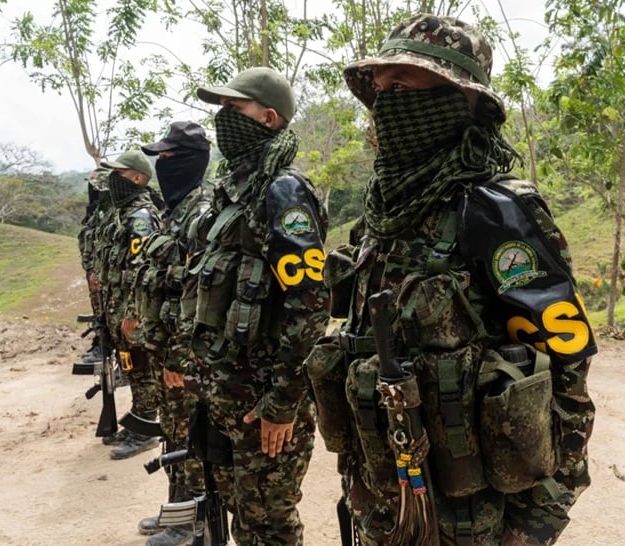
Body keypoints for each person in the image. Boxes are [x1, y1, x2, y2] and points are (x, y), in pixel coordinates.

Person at [308, 14, 597, 546]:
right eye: (383, 87)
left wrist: (539, 520)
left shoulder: (496, 211)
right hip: (381, 500)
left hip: (473, 521)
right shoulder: (380, 216)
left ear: (462, 100)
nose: (388, 100)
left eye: (405, 85)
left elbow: (566, 371)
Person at [188, 66, 330, 545]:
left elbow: (309, 306)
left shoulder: (283, 191)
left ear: (268, 118)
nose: (223, 117)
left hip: (264, 401)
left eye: (234, 107)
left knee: (266, 527)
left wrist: (282, 402)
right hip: (228, 393)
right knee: (238, 515)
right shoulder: (232, 190)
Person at [133, 121, 215, 545]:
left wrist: (180, 359)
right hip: (168, 353)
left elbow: (198, 295)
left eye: (168, 157)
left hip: (186, 359)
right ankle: (177, 511)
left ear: (190, 161)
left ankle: (192, 522)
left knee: (190, 439)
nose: (162, 165)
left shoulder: (201, 214)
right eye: (159, 158)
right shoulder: (173, 212)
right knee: (173, 433)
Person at [97, 149, 164, 460]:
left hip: (133, 313)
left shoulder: (141, 216)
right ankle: (138, 419)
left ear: (138, 178)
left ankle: (146, 429)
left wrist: (134, 314)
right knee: (131, 367)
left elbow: (144, 267)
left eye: (119, 173)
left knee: (142, 368)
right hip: (118, 310)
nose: (113, 179)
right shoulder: (121, 214)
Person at [76, 167, 110, 365]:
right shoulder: (93, 213)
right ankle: (100, 344)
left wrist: (98, 271)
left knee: (107, 316)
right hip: (93, 274)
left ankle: (105, 348)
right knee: (99, 314)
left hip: (104, 277)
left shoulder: (107, 214)